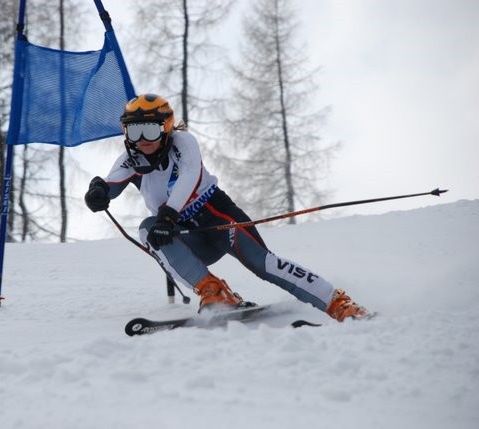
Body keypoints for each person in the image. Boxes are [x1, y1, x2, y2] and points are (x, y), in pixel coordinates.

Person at [85, 94, 369, 322]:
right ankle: (216, 293)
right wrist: (97, 192)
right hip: (187, 235)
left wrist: (169, 214)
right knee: (148, 230)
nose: (142, 139)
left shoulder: (183, 142)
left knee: (263, 263)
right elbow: (110, 184)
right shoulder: (130, 158)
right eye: (134, 130)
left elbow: (190, 175)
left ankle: (338, 303)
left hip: (217, 217)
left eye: (150, 129)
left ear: (167, 127)